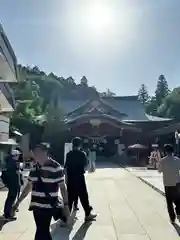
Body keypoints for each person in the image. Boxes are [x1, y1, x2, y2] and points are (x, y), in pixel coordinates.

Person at [13, 143, 70, 240]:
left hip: (48, 205)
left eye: (39, 152)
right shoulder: (34, 167)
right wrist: (18, 202)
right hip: (36, 205)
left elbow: (62, 187)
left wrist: (66, 205)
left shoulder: (56, 167)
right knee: (41, 230)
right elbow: (28, 186)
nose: (36, 154)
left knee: (42, 230)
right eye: (35, 152)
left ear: (46, 152)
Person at [65, 137, 97, 221]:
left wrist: (66, 179)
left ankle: (66, 217)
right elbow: (86, 166)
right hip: (79, 178)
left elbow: (65, 167)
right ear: (80, 144)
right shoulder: (82, 154)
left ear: (72, 144)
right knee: (83, 197)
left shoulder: (69, 154)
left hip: (71, 178)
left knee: (69, 198)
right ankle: (87, 214)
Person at [158, 144, 180, 224]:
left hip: (168, 184)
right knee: (178, 200)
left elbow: (159, 171)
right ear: (172, 151)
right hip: (177, 183)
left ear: (165, 152)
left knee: (169, 202)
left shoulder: (163, 160)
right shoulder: (177, 160)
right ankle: (179, 212)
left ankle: (172, 218)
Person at [3, 149, 21, 220]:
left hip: (12, 184)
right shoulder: (13, 163)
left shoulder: (11, 162)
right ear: (15, 156)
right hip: (13, 184)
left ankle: (8, 211)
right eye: (18, 155)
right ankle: (7, 215)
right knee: (11, 198)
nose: (19, 157)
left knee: (11, 198)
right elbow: (14, 174)